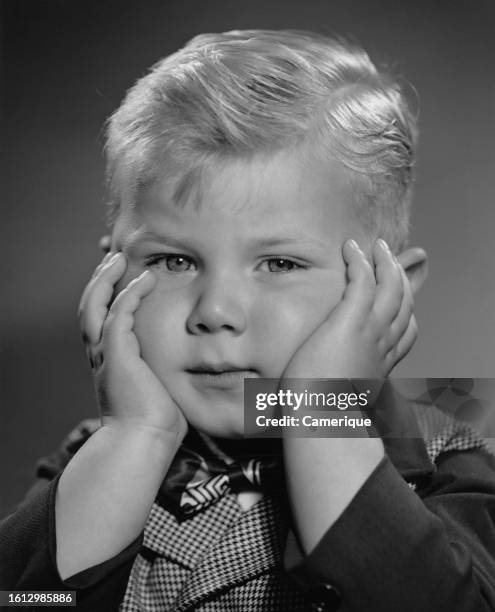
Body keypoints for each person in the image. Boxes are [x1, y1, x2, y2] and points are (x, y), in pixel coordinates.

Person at [1, 29, 495, 611]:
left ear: (390, 291)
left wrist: (318, 409)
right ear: (110, 279)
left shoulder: (451, 459)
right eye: (174, 260)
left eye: (280, 263)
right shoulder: (96, 457)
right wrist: (137, 437)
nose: (215, 312)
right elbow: (24, 602)